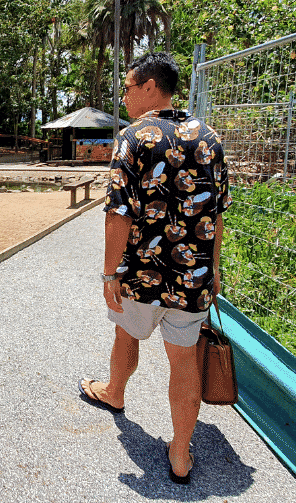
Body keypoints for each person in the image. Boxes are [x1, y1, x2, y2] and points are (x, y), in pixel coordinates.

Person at [78, 52, 231, 485]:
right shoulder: (209, 138)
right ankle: (180, 455)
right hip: (193, 278)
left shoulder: (134, 137)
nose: (124, 95)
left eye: (128, 87)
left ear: (150, 88)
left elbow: (118, 214)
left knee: (126, 333)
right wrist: (213, 268)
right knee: (183, 361)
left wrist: (110, 274)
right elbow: (218, 214)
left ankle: (115, 392)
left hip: (142, 277)